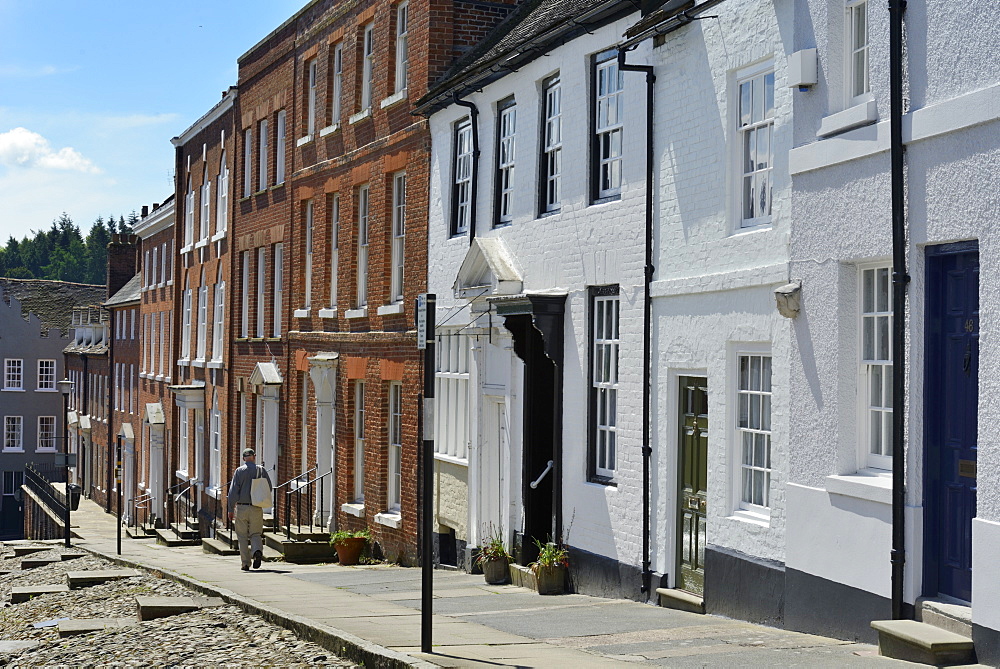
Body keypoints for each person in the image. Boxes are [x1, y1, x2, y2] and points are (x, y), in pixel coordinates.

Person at [228, 448, 272, 571]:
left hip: (242, 507)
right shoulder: (261, 470)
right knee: (256, 533)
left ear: (243, 458)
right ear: (254, 456)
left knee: (242, 536)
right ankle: (257, 551)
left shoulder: (239, 471)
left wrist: (230, 508)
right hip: (256, 507)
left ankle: (246, 563)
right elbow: (269, 487)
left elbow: (233, 492)